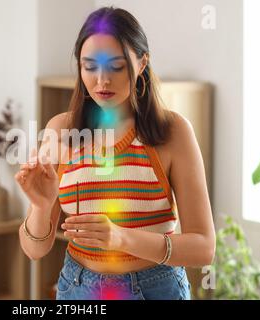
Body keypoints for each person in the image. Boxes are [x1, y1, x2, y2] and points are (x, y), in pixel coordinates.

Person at [16, 6, 215, 300]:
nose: (102, 80)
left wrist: (122, 238)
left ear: (142, 62)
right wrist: (42, 206)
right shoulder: (61, 129)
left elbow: (204, 248)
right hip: (77, 288)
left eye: (116, 66)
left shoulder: (173, 132)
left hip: (156, 289)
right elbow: (34, 250)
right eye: (89, 66)